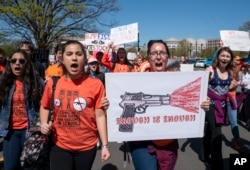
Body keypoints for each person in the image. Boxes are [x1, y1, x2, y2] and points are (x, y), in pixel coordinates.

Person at [128, 40, 210, 170]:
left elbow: (190, 104)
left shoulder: (177, 81)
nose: (158, 56)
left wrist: (202, 104)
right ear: (148, 57)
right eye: (154, 53)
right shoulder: (133, 79)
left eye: (162, 53)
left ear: (168, 57)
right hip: (141, 143)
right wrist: (109, 104)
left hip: (167, 142)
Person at [40, 40, 110, 170]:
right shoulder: (53, 83)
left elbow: (100, 116)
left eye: (78, 54)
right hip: (59, 145)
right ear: (62, 58)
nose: (74, 57)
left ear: (84, 58)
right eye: (69, 54)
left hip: (87, 147)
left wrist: (105, 145)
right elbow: (44, 106)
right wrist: (43, 124)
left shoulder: (96, 84)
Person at [0, 49, 44, 170]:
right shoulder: (3, 81)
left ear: (27, 63)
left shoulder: (37, 81)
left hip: (31, 131)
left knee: (30, 166)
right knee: (10, 166)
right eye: (13, 60)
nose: (17, 63)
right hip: (10, 131)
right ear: (10, 63)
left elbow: (46, 103)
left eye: (21, 60)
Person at [202, 47, 237, 169]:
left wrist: (233, 87)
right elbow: (200, 87)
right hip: (209, 105)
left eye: (228, 56)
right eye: (223, 55)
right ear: (218, 57)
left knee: (210, 132)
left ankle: (205, 155)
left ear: (230, 59)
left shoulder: (230, 73)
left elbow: (229, 89)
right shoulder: (210, 70)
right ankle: (218, 165)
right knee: (217, 132)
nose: (225, 58)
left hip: (221, 105)